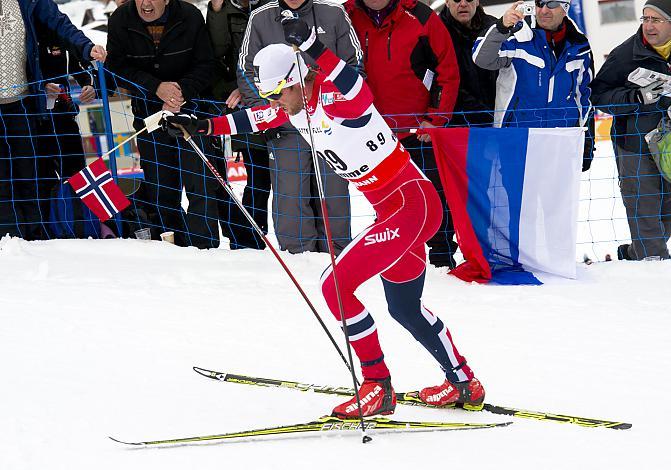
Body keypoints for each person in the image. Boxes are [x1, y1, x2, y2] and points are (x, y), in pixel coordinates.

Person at [165, 17, 484, 418]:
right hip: (397, 211)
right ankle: (463, 383)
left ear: (299, 79)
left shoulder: (337, 98)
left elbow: (357, 86)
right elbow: (255, 117)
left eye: (279, 92)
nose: (275, 101)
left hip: (411, 205)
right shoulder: (293, 106)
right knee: (405, 308)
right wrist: (202, 125)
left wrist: (315, 46)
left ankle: (376, 384)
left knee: (335, 286)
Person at [237, 0, 362, 254]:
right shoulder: (261, 17)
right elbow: (246, 69)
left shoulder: (334, 12)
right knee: (290, 197)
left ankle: (337, 255)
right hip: (285, 126)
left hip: (330, 124)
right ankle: (297, 255)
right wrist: (268, 108)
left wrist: (338, 107)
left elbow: (355, 64)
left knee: (334, 194)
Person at [345, 0, 461, 268]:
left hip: (418, 132)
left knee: (433, 196)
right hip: (371, 133)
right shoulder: (346, 15)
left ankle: (441, 257)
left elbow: (447, 70)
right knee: (387, 201)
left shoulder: (420, 15)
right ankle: (395, 256)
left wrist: (436, 119)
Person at [106, 0, 220, 248]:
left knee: (199, 185)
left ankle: (206, 249)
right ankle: (171, 246)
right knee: (161, 188)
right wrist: (156, 87)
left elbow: (206, 65)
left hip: (191, 113)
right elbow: (116, 65)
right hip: (148, 116)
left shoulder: (189, 15)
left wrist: (180, 92)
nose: (145, 3)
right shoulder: (120, 19)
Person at [0, 0, 106, 240]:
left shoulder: (31, 4)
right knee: (4, 181)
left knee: (33, 177)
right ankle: (8, 241)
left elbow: (62, 26)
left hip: (27, 106)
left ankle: (41, 238)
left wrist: (86, 48)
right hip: (40, 111)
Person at [591, 0, 671, 260]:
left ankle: (636, 253)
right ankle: (655, 269)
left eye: (656, 20)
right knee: (645, 210)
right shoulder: (625, 54)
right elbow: (599, 95)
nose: (648, 25)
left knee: (667, 213)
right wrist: (636, 97)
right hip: (635, 145)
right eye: (645, 19)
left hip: (668, 145)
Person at [206, 0, 270, 250]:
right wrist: (217, 11)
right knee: (228, 181)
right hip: (231, 108)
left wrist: (250, 89)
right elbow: (212, 56)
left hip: (269, 101)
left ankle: (255, 237)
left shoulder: (271, 7)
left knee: (263, 179)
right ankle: (240, 238)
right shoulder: (217, 10)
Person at [473, 0, 593, 132]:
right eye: (539, 4)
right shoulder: (516, 35)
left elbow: (585, 96)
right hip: (516, 136)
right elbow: (482, 59)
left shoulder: (580, 46)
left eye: (551, 5)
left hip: (562, 138)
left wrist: (586, 139)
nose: (544, 11)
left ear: (565, 8)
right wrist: (501, 26)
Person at [34, 25, 99, 237]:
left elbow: (84, 68)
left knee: (77, 172)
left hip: (63, 115)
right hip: (30, 119)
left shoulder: (57, 28)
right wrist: (40, 87)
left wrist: (90, 85)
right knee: (40, 177)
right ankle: (46, 231)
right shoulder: (22, 27)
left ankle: (85, 225)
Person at [439, 0, 497, 126]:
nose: (463, 4)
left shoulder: (495, 28)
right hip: (456, 122)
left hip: (496, 118)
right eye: (457, 0)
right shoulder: (436, 33)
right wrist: (482, 114)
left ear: (477, 1)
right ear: (447, 2)